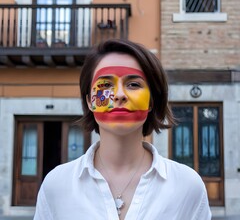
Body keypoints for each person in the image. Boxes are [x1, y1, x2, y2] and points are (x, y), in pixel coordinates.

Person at [34, 39, 212, 220]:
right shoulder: (56, 185)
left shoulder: (188, 186)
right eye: (105, 85)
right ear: (89, 101)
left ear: (152, 100)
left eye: (133, 84)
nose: (119, 95)